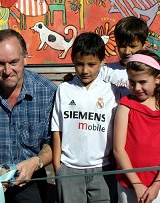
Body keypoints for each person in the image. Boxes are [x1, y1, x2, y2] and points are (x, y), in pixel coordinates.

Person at [0, 29, 57, 203]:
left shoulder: (48, 93)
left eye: (14, 62)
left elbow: (54, 142)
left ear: (25, 57)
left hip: (32, 175)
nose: (7, 70)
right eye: (0, 63)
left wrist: (36, 162)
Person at [51, 32, 119, 203]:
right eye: (80, 64)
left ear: (102, 62)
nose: (85, 70)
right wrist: (58, 167)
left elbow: (117, 128)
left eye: (91, 64)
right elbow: (57, 129)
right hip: (69, 170)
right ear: (73, 60)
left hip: (103, 169)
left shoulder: (111, 91)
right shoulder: (64, 89)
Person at [113, 50, 160, 203]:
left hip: (156, 183)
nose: (136, 87)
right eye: (132, 82)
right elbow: (118, 149)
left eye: (143, 82)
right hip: (128, 182)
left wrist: (157, 185)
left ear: (158, 79)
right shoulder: (126, 106)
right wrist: (136, 183)